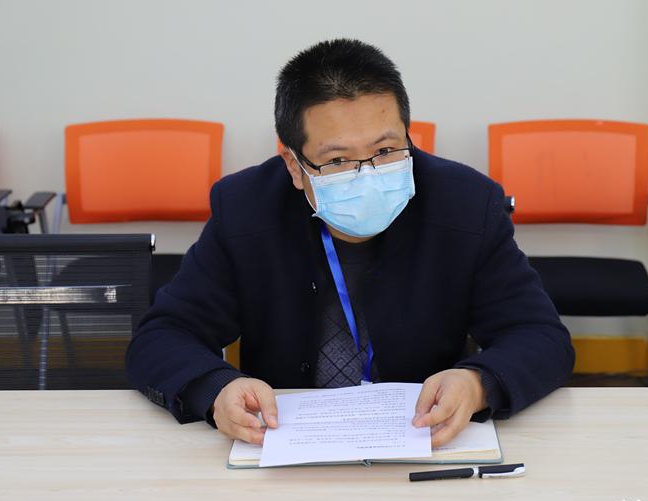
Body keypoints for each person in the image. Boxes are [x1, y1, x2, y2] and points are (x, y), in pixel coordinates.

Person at [126, 39, 575, 447]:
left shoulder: (467, 204)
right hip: (285, 445)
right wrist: (216, 388)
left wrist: (478, 383)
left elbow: (540, 336)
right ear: (294, 165)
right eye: (338, 159)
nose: (369, 174)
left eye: (386, 151)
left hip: (425, 441)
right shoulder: (245, 208)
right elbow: (164, 335)